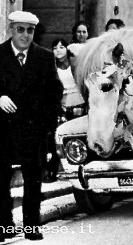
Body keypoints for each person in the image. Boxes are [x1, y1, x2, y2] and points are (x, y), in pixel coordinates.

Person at [0, 11, 63, 241]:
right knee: (0, 178)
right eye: (20, 29)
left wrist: (45, 124)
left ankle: (32, 226)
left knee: (33, 179)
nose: (25, 35)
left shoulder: (44, 57)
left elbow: (55, 92)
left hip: (32, 129)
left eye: (29, 30)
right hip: (2, 128)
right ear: (11, 29)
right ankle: (5, 227)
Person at [44, 38, 87, 182]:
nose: (58, 50)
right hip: (62, 106)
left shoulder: (75, 64)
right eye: (55, 48)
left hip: (80, 104)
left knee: (81, 138)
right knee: (58, 137)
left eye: (62, 47)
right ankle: (53, 171)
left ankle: (83, 169)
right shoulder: (51, 67)